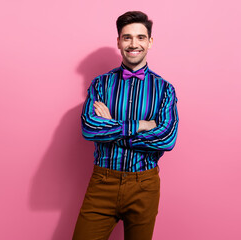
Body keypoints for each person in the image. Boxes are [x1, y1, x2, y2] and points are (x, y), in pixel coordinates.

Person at [73, 11, 179, 240]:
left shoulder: (165, 90)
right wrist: (140, 125)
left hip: (144, 185)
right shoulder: (100, 84)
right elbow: (89, 129)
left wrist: (111, 127)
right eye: (127, 37)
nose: (134, 43)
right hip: (103, 182)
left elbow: (168, 138)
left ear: (150, 42)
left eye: (140, 37)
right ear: (119, 42)